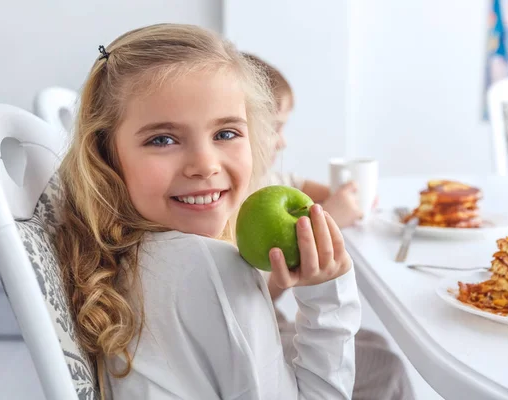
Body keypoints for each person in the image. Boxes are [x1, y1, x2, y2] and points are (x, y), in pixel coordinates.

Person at [54, 23, 361, 400]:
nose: (204, 164)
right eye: (162, 139)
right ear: (106, 156)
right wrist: (328, 294)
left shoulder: (129, 256)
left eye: (226, 134)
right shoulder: (209, 266)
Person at [244, 52, 416, 400]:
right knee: (388, 368)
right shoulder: (236, 201)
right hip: (260, 333)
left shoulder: (269, 180)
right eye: (275, 128)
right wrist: (329, 219)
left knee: (376, 342)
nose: (283, 142)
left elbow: (314, 192)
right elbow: (263, 292)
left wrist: (347, 196)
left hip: (271, 323)